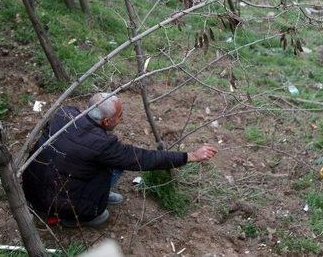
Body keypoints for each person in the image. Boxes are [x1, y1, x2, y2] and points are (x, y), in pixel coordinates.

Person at [22, 93, 217, 227]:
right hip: (58, 203)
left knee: (108, 163)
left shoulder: (65, 113)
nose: (122, 118)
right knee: (101, 215)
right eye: (120, 115)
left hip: (31, 188)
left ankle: (91, 196)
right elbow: (143, 159)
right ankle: (71, 219)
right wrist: (190, 156)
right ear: (107, 122)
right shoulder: (103, 145)